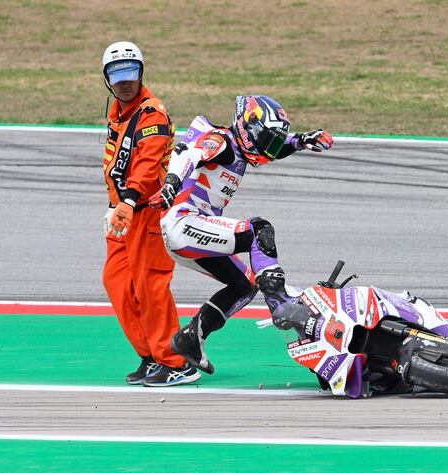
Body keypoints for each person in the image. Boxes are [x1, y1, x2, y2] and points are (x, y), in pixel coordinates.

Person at [148, 95, 333, 374]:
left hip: (193, 234)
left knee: (245, 286)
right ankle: (281, 304)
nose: (269, 151)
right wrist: (172, 182)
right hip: (184, 223)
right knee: (259, 231)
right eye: (266, 140)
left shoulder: (242, 147)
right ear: (249, 129)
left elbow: (276, 146)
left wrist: (301, 140)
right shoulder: (221, 141)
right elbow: (187, 153)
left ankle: (191, 338)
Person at [101, 41, 200, 386]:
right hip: (123, 214)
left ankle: (176, 362)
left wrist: (127, 201)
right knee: (118, 283)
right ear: (107, 79)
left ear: (141, 74)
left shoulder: (152, 114)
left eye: (130, 75)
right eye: (118, 77)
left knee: (151, 287)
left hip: (147, 213)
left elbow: (145, 164)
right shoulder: (118, 113)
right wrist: (115, 205)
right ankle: (150, 356)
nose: (125, 82)